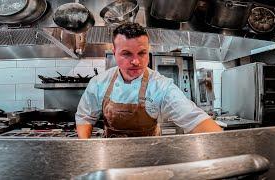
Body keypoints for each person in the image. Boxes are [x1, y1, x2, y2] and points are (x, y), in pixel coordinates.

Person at [75, 22, 222, 139]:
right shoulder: (99, 83)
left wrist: (224, 144)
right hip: (110, 156)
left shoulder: (161, 85)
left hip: (151, 156)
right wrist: (86, 147)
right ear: (114, 53)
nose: (136, 61)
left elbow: (193, 118)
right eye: (126, 54)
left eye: (142, 53)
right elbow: (85, 117)